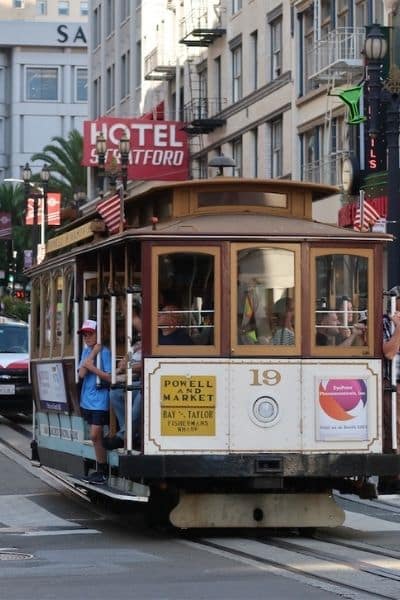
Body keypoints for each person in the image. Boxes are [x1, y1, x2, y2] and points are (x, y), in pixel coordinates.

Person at [103, 302, 142, 451]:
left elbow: (145, 365)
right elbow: (123, 363)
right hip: (132, 379)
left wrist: (129, 367)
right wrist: (119, 371)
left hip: (143, 381)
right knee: (115, 393)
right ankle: (129, 432)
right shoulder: (137, 345)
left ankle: (123, 435)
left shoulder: (152, 341)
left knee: (140, 396)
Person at [78, 319, 111, 485]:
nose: (87, 337)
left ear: (99, 334)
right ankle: (101, 469)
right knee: (95, 437)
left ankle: (103, 468)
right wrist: (92, 354)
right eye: (85, 334)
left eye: (90, 334)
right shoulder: (87, 352)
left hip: (100, 399)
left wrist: (92, 366)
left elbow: (109, 376)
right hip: (87, 400)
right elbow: (82, 374)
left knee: (95, 434)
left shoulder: (105, 352)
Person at [381, 287, 400, 493]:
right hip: (392, 382)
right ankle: (391, 476)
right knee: (393, 426)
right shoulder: (386, 323)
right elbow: (388, 352)